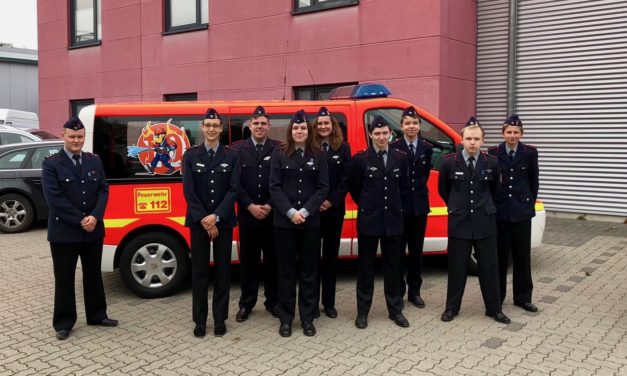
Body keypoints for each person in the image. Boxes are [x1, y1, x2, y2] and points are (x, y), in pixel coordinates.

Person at [42, 116, 117, 341]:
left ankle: (97, 315)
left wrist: (95, 216)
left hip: (93, 230)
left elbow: (103, 190)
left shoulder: (94, 160)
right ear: (63, 135)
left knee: (93, 275)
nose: (76, 140)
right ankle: (64, 322)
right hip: (64, 232)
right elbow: (53, 198)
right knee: (64, 278)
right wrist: (80, 219)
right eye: (72, 136)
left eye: (80, 136)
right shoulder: (51, 163)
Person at [438, 116, 511, 324]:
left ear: (482, 141)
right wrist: (456, 206)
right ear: (461, 139)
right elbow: (444, 190)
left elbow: (496, 192)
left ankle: (494, 309)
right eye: (469, 138)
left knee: (489, 268)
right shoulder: (449, 162)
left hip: (485, 223)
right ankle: (452, 308)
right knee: (457, 268)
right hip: (459, 223)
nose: (472, 142)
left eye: (476, 139)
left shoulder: (492, 163)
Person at [269, 109, 328, 337]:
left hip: (310, 223)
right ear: (290, 131)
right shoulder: (280, 153)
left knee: (309, 271)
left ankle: (308, 317)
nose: (299, 131)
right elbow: (274, 187)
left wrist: (304, 211)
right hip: (284, 224)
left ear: (308, 130)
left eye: (303, 128)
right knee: (285, 272)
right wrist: (291, 212)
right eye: (296, 128)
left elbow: (323, 188)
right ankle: (286, 318)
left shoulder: (319, 154)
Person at [348, 115, 410, 329]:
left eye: (385, 133)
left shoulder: (401, 158)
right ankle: (362, 312)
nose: (381, 137)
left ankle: (395, 310)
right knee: (366, 268)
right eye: (377, 134)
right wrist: (368, 205)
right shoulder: (360, 159)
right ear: (371, 136)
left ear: (391, 134)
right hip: (369, 220)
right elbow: (355, 189)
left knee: (393, 267)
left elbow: (403, 188)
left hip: (393, 221)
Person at [183, 108, 239, 338]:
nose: (212, 129)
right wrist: (205, 220)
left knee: (223, 272)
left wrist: (215, 217)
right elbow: (189, 191)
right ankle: (200, 320)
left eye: (215, 126)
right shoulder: (191, 155)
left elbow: (234, 189)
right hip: (198, 223)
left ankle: (219, 319)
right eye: (208, 125)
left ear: (221, 129)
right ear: (202, 128)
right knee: (199, 273)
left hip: (223, 223)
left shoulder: (231, 155)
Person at [232, 106, 281, 322]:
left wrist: (270, 204)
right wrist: (250, 206)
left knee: (273, 262)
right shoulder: (236, 150)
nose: (260, 126)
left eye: (263, 123)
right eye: (256, 123)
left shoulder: (279, 148)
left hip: (273, 216)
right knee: (248, 263)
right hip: (248, 216)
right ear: (250, 126)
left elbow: (281, 182)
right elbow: (234, 184)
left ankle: (273, 302)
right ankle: (246, 303)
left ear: (269, 126)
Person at [488, 115, 539, 313]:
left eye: (516, 132)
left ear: (521, 134)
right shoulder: (493, 153)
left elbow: (534, 182)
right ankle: (497, 298)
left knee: (522, 257)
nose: (512, 135)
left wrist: (527, 204)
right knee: (500, 258)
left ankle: (523, 298)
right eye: (508, 132)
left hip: (521, 212)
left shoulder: (530, 153)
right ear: (503, 133)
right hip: (501, 213)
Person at [390, 106, 433, 308]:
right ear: (401, 126)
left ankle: (414, 292)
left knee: (416, 252)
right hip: (400, 207)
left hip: (419, 207)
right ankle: (398, 292)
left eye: (415, 123)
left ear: (420, 125)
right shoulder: (395, 147)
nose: (411, 126)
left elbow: (423, 175)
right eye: (407, 123)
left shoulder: (427, 148)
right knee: (398, 252)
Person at [312, 106, 351, 319]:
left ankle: (329, 303)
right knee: (311, 259)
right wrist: (317, 202)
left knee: (330, 259)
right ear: (315, 127)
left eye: (327, 123)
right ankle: (312, 302)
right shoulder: (310, 147)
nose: (323, 126)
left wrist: (330, 202)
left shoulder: (343, 148)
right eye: (320, 124)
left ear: (333, 125)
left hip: (334, 211)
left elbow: (346, 180)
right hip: (314, 212)